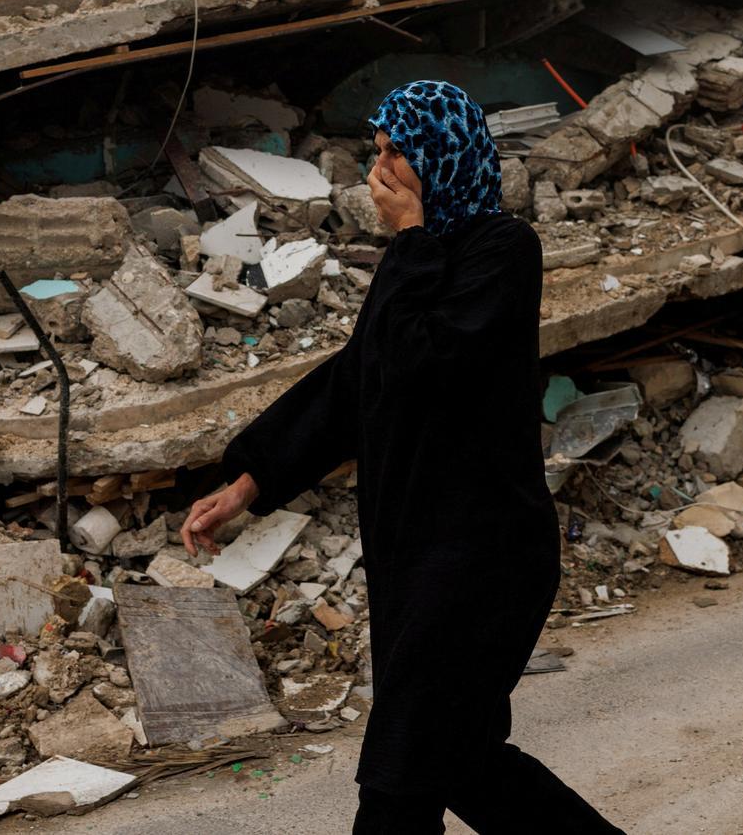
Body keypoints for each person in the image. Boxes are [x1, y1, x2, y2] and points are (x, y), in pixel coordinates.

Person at [181, 80, 626, 834]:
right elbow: (356, 383)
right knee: (460, 762)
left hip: (484, 558)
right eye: (379, 152)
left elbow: (431, 366)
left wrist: (413, 237)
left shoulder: (503, 252)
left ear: (442, 158)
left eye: (399, 154)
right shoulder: (409, 265)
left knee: (400, 778)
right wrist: (249, 482)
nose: (381, 172)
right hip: (417, 558)